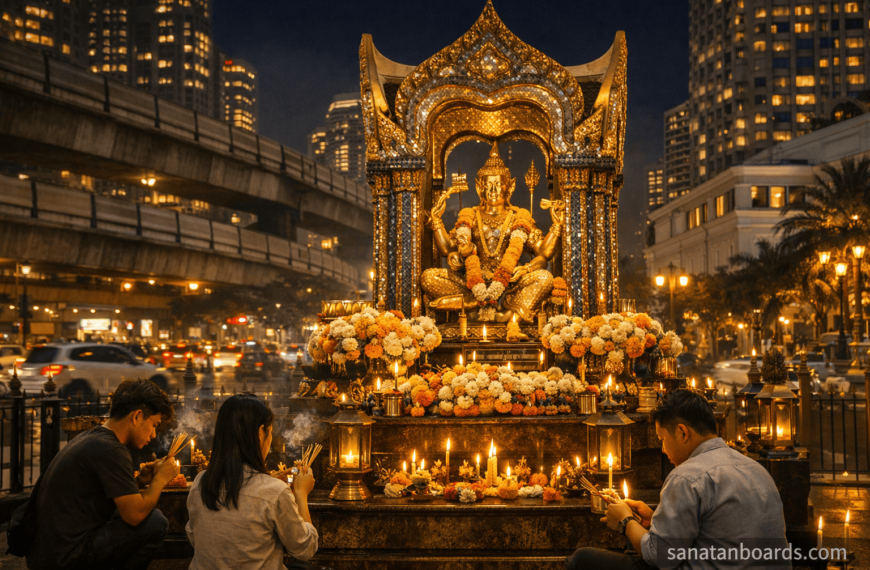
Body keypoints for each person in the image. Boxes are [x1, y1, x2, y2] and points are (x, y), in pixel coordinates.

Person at [565, 389, 787, 570]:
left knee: (582, 560)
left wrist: (625, 522)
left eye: (662, 439)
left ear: (682, 432)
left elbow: (661, 556)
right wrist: (654, 521)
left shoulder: (687, 476)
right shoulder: (756, 469)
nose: (662, 449)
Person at [28, 378, 178, 570]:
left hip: (48, 552)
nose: (154, 434)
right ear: (137, 416)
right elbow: (135, 515)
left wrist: (139, 481)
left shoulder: (95, 437)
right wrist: (160, 479)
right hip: (65, 556)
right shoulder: (111, 449)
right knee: (156, 523)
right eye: (155, 424)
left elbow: (101, 494)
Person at [186, 394, 318, 569]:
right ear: (260, 432)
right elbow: (305, 549)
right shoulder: (274, 492)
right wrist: (301, 493)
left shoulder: (200, 482)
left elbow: (194, 537)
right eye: (270, 431)